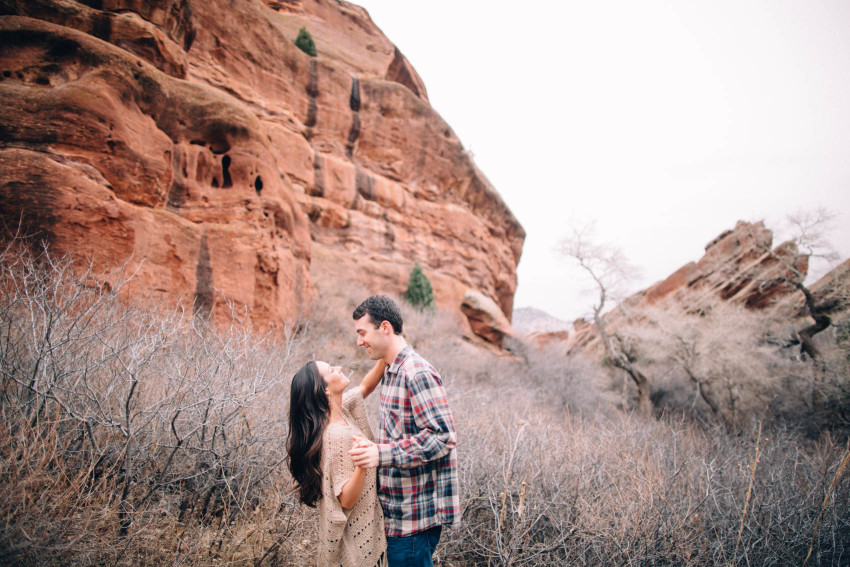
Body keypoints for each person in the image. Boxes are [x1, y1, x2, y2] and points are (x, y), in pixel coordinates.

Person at [348, 295, 458, 567]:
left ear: (385, 327)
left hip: (413, 522)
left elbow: (442, 437)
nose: (359, 342)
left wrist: (379, 454)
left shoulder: (416, 371)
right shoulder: (391, 368)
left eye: (363, 333)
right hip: (395, 516)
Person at [287, 358, 388, 567]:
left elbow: (365, 387)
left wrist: (385, 355)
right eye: (332, 369)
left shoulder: (339, 413)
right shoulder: (335, 435)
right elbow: (346, 500)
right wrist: (362, 464)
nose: (339, 367)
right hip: (356, 544)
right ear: (323, 390)